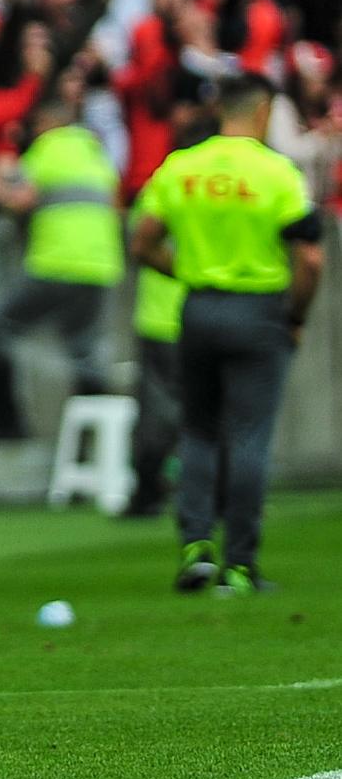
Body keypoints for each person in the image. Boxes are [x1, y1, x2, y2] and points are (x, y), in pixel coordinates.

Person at [133, 76, 325, 594]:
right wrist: (296, 315)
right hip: (259, 310)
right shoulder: (277, 173)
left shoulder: (182, 168)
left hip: (197, 307)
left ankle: (196, 546)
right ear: (263, 111)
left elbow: (144, 241)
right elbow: (309, 256)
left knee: (198, 431)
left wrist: (189, 271)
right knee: (248, 436)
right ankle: (240, 564)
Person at [0, 99, 123, 439]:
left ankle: (7, 427)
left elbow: (20, 199)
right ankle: (93, 441)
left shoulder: (47, 148)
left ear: (45, 123)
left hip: (56, 263)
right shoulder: (96, 153)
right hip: (101, 265)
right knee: (84, 352)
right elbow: (116, 205)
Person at [121, 200, 188, 519]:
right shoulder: (237, 184)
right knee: (218, 412)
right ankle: (225, 494)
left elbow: (140, 241)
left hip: (162, 319)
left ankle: (148, 491)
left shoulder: (166, 186)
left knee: (157, 414)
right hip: (217, 313)